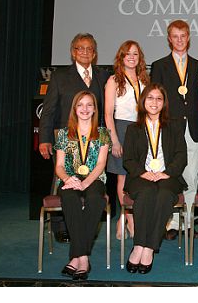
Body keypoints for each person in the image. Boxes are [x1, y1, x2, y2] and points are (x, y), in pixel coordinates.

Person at [39, 33, 110, 243]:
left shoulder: (103, 76)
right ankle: (62, 227)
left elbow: (106, 110)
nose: (85, 52)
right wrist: (44, 139)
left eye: (89, 49)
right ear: (73, 52)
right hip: (66, 139)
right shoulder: (60, 77)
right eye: (80, 48)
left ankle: (86, 226)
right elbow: (48, 110)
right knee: (64, 183)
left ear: (95, 53)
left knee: (92, 185)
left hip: (94, 140)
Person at [123, 83, 187, 274]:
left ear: (164, 103)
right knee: (146, 192)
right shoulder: (133, 129)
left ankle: (149, 247)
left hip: (168, 175)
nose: (154, 102)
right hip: (140, 176)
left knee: (165, 194)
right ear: (143, 101)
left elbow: (181, 156)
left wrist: (167, 172)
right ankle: (138, 245)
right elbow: (128, 159)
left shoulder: (174, 126)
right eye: (150, 98)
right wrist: (143, 173)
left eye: (159, 98)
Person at [150, 20, 198, 239]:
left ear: (188, 37)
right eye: (175, 36)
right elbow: (155, 99)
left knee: (191, 177)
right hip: (169, 130)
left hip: (192, 129)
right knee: (170, 177)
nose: (179, 40)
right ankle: (172, 223)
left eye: (183, 36)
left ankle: (188, 223)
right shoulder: (159, 66)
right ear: (169, 39)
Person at [54, 91, 111, 280]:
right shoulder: (64, 134)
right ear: (74, 109)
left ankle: (75, 256)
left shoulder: (103, 134)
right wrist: (68, 179)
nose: (85, 109)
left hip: (94, 179)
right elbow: (59, 166)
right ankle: (83, 257)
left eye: (89, 105)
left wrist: (85, 183)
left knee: (96, 200)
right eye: (80, 105)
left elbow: (101, 164)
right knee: (70, 199)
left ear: (94, 109)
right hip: (70, 179)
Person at [104, 40, 149, 241]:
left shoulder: (144, 79)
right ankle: (129, 219)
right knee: (122, 176)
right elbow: (107, 114)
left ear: (140, 58)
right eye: (127, 54)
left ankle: (124, 217)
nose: (131, 57)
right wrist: (114, 140)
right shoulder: (114, 80)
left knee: (137, 176)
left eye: (135, 54)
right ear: (121, 57)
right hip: (121, 129)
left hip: (141, 130)